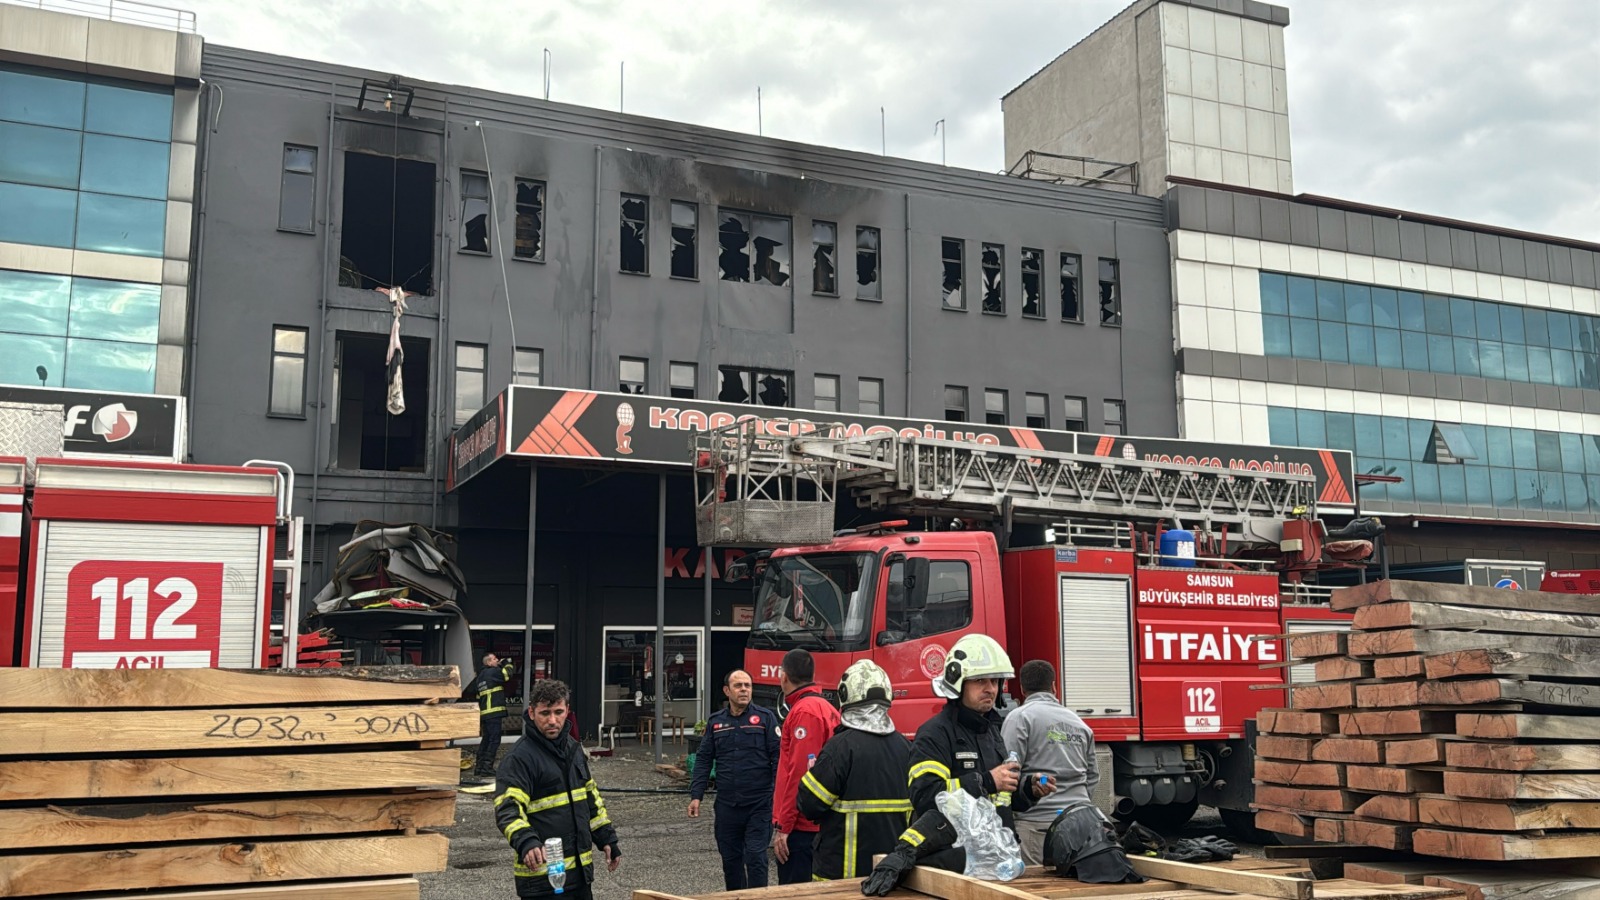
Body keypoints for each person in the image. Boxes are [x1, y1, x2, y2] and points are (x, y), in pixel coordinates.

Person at [862, 634, 1055, 896]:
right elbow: (927, 796)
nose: (991, 688)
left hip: (997, 864)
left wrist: (1027, 790)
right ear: (957, 683)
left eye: (995, 680)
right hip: (954, 868)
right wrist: (986, 780)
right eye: (980, 681)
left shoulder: (991, 732)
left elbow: (1000, 799)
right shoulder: (935, 734)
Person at [494, 679, 620, 900]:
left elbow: (590, 798)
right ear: (531, 713)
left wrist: (606, 837)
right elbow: (508, 808)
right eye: (545, 713)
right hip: (543, 880)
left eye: (558, 712)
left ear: (567, 711)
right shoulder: (519, 758)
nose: (552, 720)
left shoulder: (573, 749)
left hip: (579, 877)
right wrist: (526, 840)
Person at [796, 660, 912, 881]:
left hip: (841, 880)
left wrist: (812, 775)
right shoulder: (906, 748)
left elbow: (809, 805)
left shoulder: (839, 748)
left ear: (845, 696)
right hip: (890, 878)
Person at [688, 669, 781, 890]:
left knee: (756, 857)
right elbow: (703, 759)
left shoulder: (765, 719)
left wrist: (778, 795)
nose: (744, 690)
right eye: (738, 686)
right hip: (728, 805)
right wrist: (696, 795)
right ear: (727, 691)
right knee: (731, 861)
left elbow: (779, 758)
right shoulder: (716, 722)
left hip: (759, 804)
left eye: (747, 686)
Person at [1001, 660, 1098, 865]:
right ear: (1054, 686)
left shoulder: (1019, 718)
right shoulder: (1079, 723)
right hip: (1081, 823)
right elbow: (1092, 777)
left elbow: (1008, 771)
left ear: (1022, 688)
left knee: (1035, 892)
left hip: (1037, 826)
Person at [771, 648, 841, 884]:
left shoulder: (804, 712)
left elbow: (800, 773)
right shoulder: (827, 709)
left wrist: (784, 825)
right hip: (818, 822)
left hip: (802, 827)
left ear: (783, 676)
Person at [473, 653, 515, 779]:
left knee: (486, 739)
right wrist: (506, 662)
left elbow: (478, 696)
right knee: (494, 740)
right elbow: (507, 675)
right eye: (494, 659)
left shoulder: (480, 677)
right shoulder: (493, 672)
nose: (497, 660)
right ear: (489, 663)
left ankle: (479, 767)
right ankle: (487, 768)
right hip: (493, 712)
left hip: (485, 713)